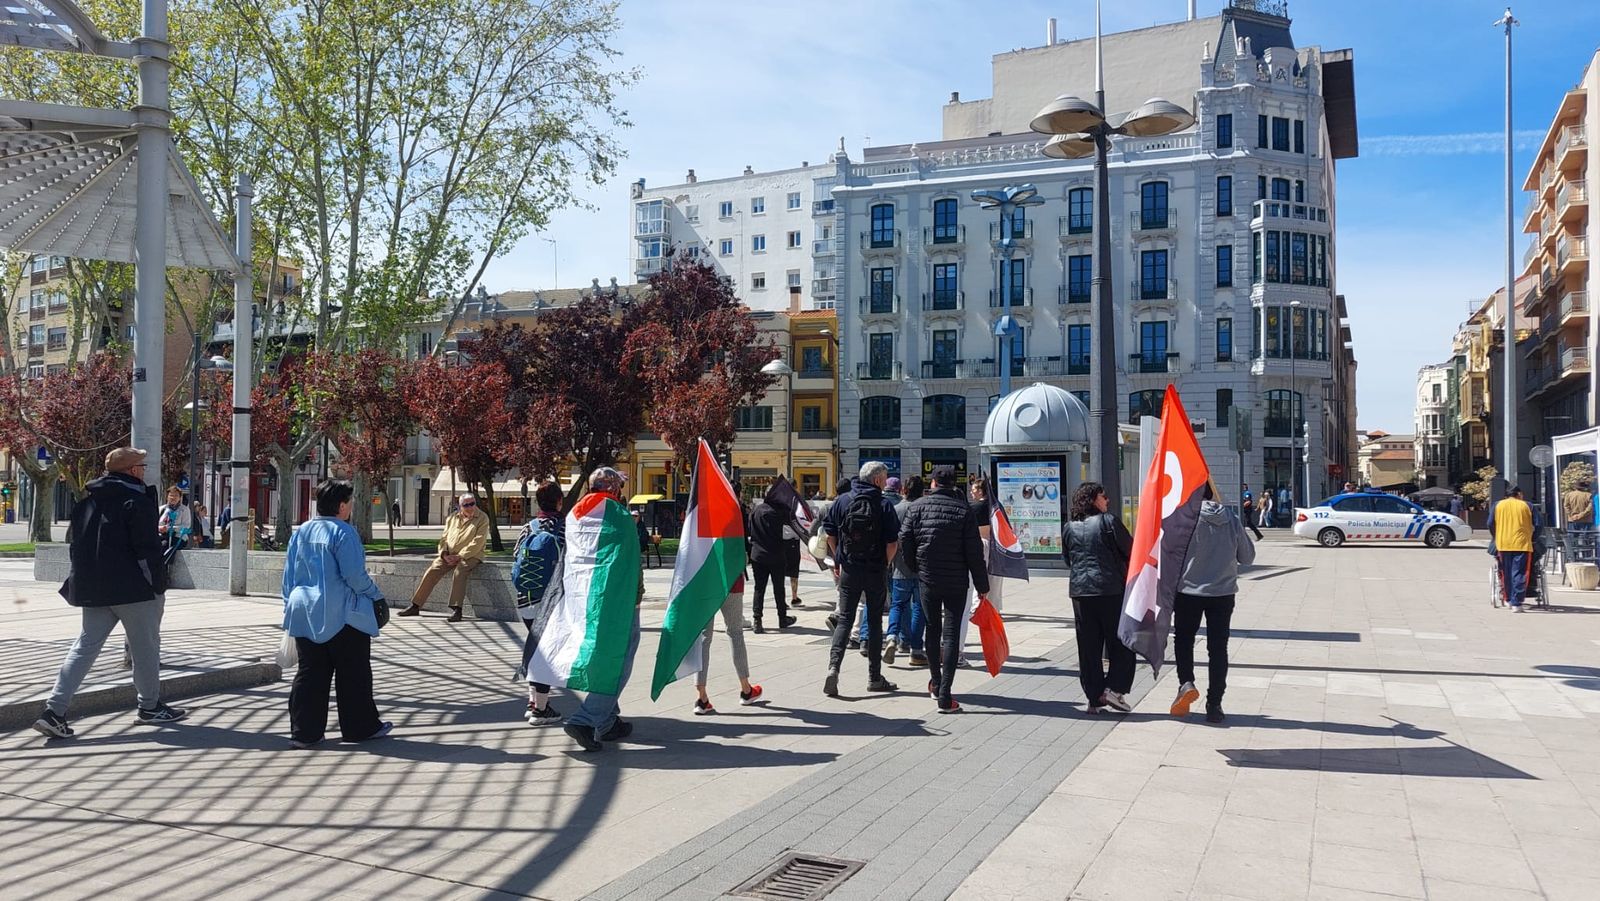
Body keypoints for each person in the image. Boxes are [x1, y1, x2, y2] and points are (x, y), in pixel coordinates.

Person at [33, 448, 186, 738]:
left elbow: (77, 549)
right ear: (131, 471)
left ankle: (54, 711)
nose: (144, 469)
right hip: (134, 591)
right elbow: (147, 551)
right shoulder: (136, 502)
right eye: (142, 465)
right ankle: (150, 707)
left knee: (84, 648)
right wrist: (157, 585)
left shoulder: (86, 504)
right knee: (146, 649)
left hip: (96, 590)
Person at [281, 479, 391, 749]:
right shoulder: (344, 532)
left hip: (304, 610)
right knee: (353, 673)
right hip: (343, 614)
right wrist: (375, 594)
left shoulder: (302, 531)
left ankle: (304, 732)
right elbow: (354, 575)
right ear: (342, 505)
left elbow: (289, 576)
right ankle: (359, 727)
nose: (351, 507)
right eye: (350, 502)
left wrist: (288, 605)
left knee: (310, 673)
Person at [557, 467, 643, 752]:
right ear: (613, 488)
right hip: (616, 600)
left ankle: (608, 722)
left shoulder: (575, 514)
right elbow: (627, 559)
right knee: (618, 660)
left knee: (604, 657)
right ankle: (586, 718)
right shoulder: (617, 516)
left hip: (584, 599)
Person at [898, 466, 988, 713]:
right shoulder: (964, 510)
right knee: (950, 635)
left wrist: (915, 565)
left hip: (928, 579)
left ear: (934, 482)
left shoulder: (917, 507)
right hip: (956, 581)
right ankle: (945, 695)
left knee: (932, 629)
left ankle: (936, 683)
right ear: (954, 484)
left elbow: (904, 538)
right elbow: (974, 552)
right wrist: (982, 585)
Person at [1172, 487, 1255, 724]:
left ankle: (1186, 683)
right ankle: (1215, 704)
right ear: (1211, 494)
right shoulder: (1231, 518)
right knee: (1218, 648)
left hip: (1188, 591)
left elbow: (1171, 555)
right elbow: (1247, 557)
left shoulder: (1184, 520)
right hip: (1223, 593)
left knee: (1184, 639)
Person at [822, 461, 901, 696]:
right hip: (875, 569)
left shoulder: (843, 500)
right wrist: (884, 563)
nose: (886, 481)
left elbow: (829, 533)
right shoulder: (884, 504)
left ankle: (833, 668)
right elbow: (892, 543)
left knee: (845, 620)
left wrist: (839, 558)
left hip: (849, 570)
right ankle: (874, 677)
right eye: (885, 477)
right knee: (875, 622)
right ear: (877, 480)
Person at [1063, 481, 1135, 714]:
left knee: (1088, 647)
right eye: (1103, 496)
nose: (1107, 500)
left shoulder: (1070, 527)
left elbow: (1068, 559)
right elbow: (1130, 549)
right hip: (1110, 590)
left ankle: (1094, 697)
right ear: (1094, 499)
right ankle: (1114, 689)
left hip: (1081, 593)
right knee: (1121, 642)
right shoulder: (1108, 521)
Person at [513, 481, 565, 724]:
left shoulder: (528, 528)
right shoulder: (564, 529)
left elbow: (516, 558)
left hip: (526, 599)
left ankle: (533, 701)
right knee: (547, 653)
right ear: (558, 502)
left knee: (537, 649)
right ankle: (540, 710)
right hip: (551, 600)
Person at [399, 492, 489, 622]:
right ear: (460, 506)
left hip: (472, 555)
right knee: (433, 569)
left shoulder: (483, 518)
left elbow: (478, 541)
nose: (470, 507)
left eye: (472, 504)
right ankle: (415, 605)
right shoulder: (452, 518)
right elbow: (444, 538)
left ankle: (457, 609)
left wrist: (460, 556)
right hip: (449, 555)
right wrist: (444, 553)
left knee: (460, 571)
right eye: (466, 505)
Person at [692, 571, 764, 714]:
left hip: (705, 584)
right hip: (732, 581)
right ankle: (746, 689)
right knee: (735, 633)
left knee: (704, 638)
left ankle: (701, 698)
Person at [878, 475, 927, 666]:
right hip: (921, 568)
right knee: (919, 608)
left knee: (897, 605)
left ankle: (892, 637)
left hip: (899, 566)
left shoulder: (896, 509)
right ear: (922, 492)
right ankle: (915, 650)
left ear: (904, 490)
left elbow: (889, 538)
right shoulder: (924, 509)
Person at [747, 484, 798, 633]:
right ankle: (782, 618)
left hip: (758, 555)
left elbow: (750, 529)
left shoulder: (756, 510)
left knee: (759, 588)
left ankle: (757, 620)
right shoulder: (779, 512)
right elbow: (788, 532)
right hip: (776, 555)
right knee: (779, 588)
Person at [1489, 486, 1538, 612]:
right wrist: (1533, 538)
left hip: (1503, 543)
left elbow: (1490, 523)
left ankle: (1508, 599)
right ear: (1519, 494)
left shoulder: (1497, 505)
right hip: (1522, 544)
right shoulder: (1528, 506)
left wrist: (1496, 536)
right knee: (1520, 572)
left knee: (1505, 572)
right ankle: (1516, 602)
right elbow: (1538, 524)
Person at [157, 486, 192, 563]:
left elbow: (186, 526)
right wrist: (160, 528)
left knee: (165, 546)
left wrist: (170, 528)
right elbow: (154, 523)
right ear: (167, 497)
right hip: (163, 535)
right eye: (171, 495)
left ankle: (164, 567)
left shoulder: (184, 510)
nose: (173, 498)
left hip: (178, 536)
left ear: (180, 498)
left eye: (176, 496)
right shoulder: (161, 509)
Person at [1563, 478, 1594, 562]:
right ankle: (1587, 559)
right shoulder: (1588, 495)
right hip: (1586, 521)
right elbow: (1589, 509)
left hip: (1572, 520)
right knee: (1586, 540)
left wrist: (1572, 515)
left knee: (1573, 540)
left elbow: (1566, 506)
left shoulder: (1568, 495)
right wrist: (1581, 515)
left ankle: (1573, 558)